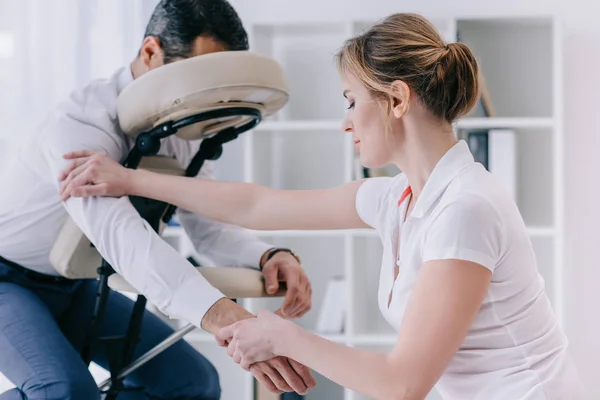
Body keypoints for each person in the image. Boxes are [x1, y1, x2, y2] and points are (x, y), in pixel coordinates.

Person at [57, 12, 586, 400]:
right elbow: (255, 205)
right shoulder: (399, 198)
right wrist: (130, 179)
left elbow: (402, 383)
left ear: (398, 100)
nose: (346, 122)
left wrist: (282, 334)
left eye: (351, 102)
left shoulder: (465, 209)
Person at [0, 0, 317, 399]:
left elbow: (208, 226)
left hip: (75, 287)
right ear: (151, 52)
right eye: (198, 75)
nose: (209, 96)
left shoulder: (183, 129)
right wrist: (222, 316)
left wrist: (267, 256)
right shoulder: (80, 123)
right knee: (66, 392)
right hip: (7, 279)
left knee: (193, 384)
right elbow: (122, 238)